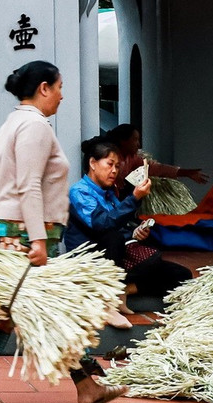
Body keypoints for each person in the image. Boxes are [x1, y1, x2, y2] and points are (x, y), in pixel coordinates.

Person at [0, 60, 126, 403]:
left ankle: (87, 385)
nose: (61, 95)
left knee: (52, 311)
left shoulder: (12, 124)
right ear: (43, 88)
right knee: (4, 314)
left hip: (18, 234)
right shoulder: (35, 127)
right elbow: (27, 185)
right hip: (27, 239)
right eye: (58, 87)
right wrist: (38, 240)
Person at [66, 137, 192, 327]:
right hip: (90, 262)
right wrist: (133, 199)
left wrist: (135, 232)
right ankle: (108, 301)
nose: (114, 171)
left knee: (180, 274)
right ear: (93, 163)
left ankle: (124, 290)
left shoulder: (108, 193)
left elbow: (120, 225)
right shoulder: (79, 192)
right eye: (110, 164)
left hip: (116, 259)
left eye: (117, 166)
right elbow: (103, 225)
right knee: (113, 237)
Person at [106, 123, 208, 214]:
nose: (138, 144)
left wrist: (186, 173)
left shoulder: (131, 158)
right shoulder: (107, 155)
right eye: (135, 140)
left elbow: (156, 168)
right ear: (123, 141)